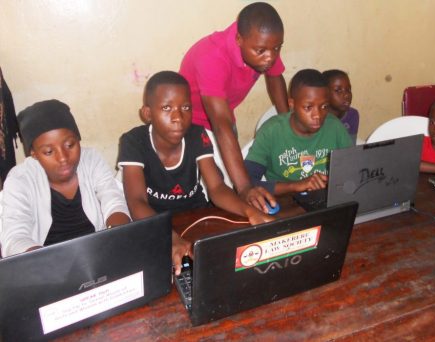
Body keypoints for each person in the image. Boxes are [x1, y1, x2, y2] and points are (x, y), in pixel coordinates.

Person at [117, 71, 273, 274]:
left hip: (197, 216)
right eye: (166, 108)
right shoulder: (133, 141)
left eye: (186, 108)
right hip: (154, 222)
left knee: (234, 263)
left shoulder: (196, 135)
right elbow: (137, 201)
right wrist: (170, 237)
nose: (178, 118)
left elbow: (216, 187)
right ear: (147, 114)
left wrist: (250, 212)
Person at [179, 2, 288, 208]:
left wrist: (288, 124)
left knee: (234, 192)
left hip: (224, 118)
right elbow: (220, 124)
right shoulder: (212, 57)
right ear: (239, 40)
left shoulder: (263, 42)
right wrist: (245, 187)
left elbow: (275, 77)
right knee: (224, 192)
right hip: (191, 126)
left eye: (277, 48)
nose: (271, 57)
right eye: (261, 51)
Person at [0, 100, 130, 257]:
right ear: (33, 153)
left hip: (98, 254)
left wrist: (118, 237)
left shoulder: (91, 160)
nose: (63, 158)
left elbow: (114, 201)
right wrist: (54, 265)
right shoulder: (20, 179)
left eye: (70, 145)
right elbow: (15, 237)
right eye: (48, 151)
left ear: (78, 139)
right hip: (45, 264)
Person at [244, 69, 352, 195]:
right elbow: (247, 183)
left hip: (327, 198)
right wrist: (295, 186)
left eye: (324, 107)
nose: (317, 115)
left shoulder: (334, 126)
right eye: (308, 107)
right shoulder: (271, 131)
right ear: (292, 104)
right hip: (286, 201)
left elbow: (352, 169)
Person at [323, 69, 359, 145]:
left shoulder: (352, 115)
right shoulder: (317, 118)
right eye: (338, 90)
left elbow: (350, 149)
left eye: (348, 89)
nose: (346, 95)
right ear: (324, 93)